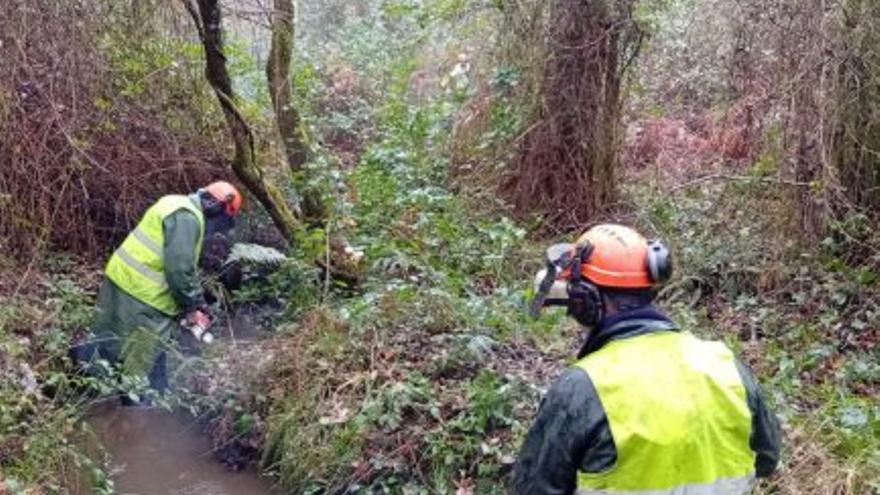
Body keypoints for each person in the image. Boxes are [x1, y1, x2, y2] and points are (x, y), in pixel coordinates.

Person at [513, 224, 781, 495]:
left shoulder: (583, 387)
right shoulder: (725, 366)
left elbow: (534, 488)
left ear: (585, 300)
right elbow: (766, 459)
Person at [71, 181, 242, 398]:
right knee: (142, 357)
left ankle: (82, 386)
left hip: (119, 278)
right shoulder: (188, 219)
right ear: (217, 209)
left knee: (107, 338)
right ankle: (135, 407)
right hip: (145, 296)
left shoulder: (174, 202)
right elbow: (180, 269)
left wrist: (196, 303)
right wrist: (192, 306)